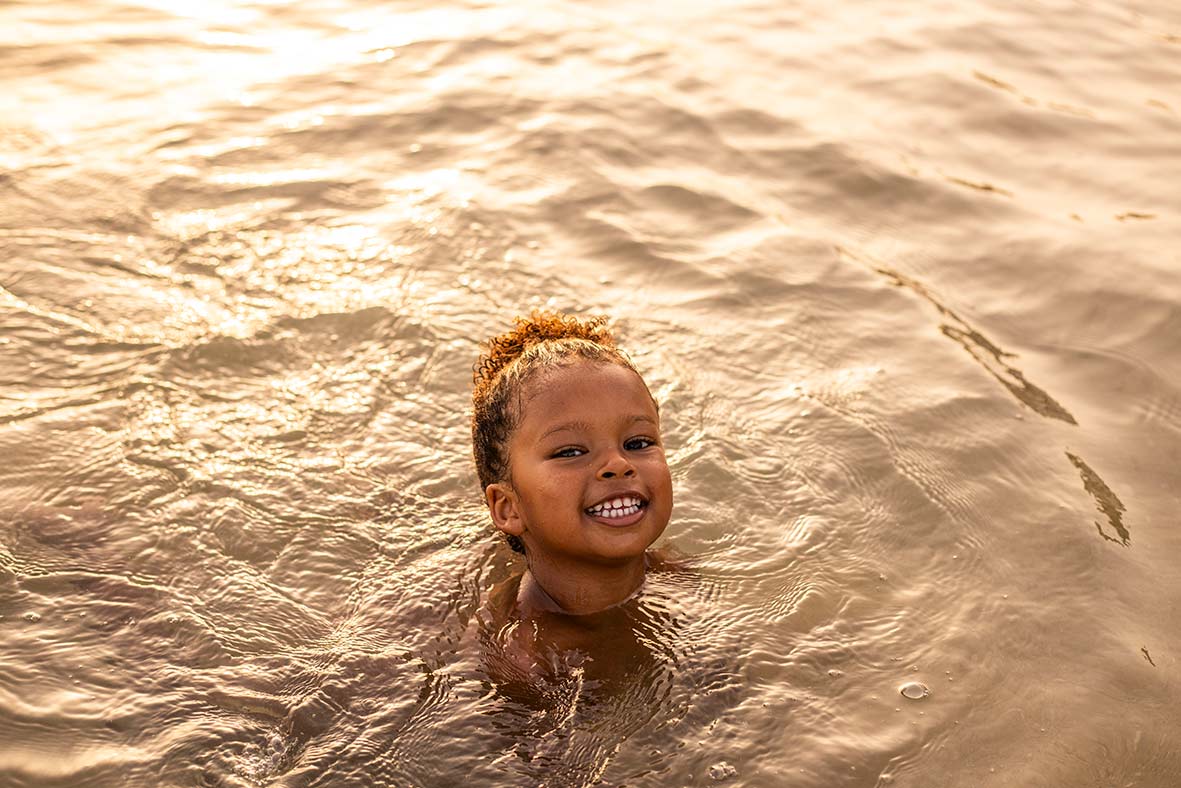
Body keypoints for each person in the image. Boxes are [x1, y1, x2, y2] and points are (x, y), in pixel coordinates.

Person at [471, 310, 674, 621]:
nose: (618, 464)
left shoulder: (682, 585)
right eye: (570, 452)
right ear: (508, 508)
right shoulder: (520, 654)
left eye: (638, 444)